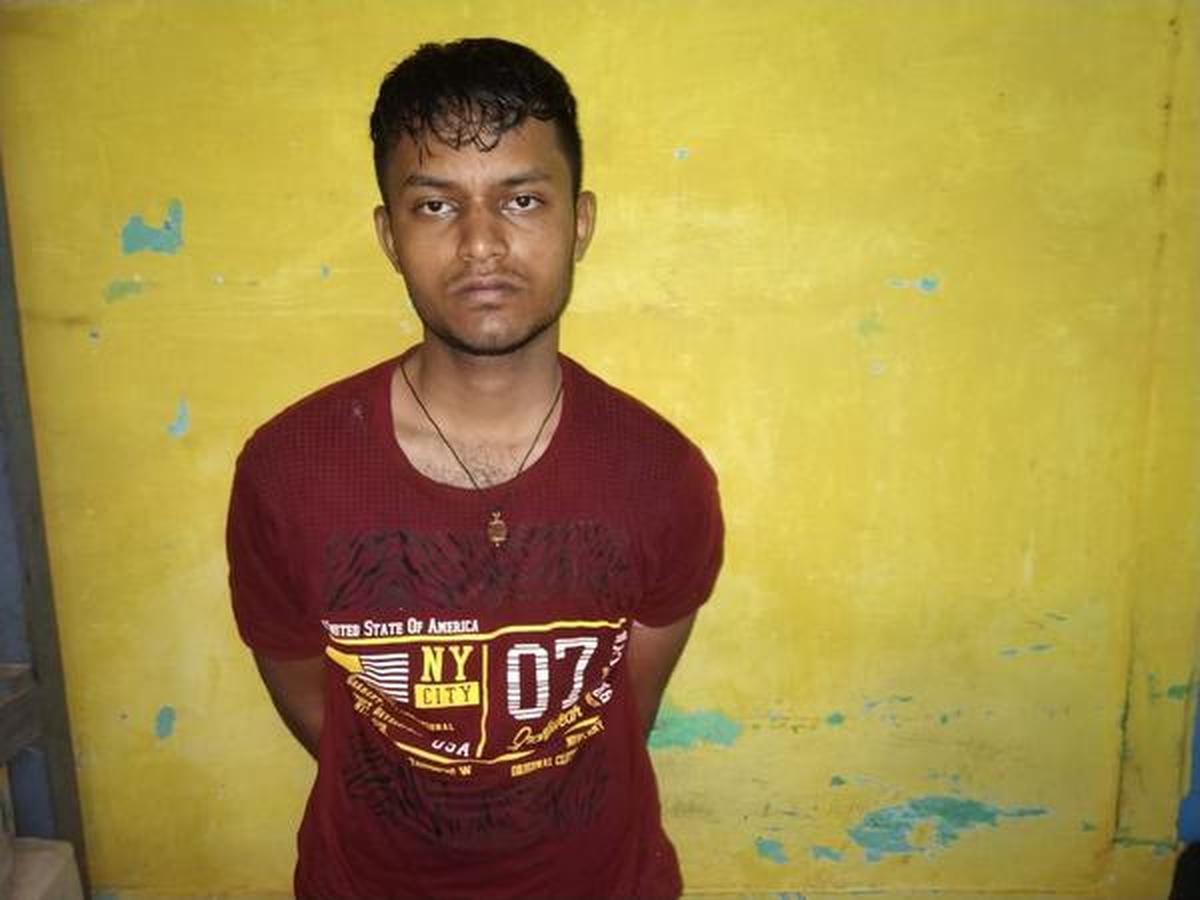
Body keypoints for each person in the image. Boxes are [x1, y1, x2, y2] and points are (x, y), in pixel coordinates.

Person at [227, 37, 724, 899]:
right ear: (389, 236)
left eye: (522, 199)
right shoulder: (289, 471)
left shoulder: (661, 475)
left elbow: (626, 710)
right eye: (435, 206)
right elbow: (314, 705)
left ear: (580, 222)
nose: (481, 244)